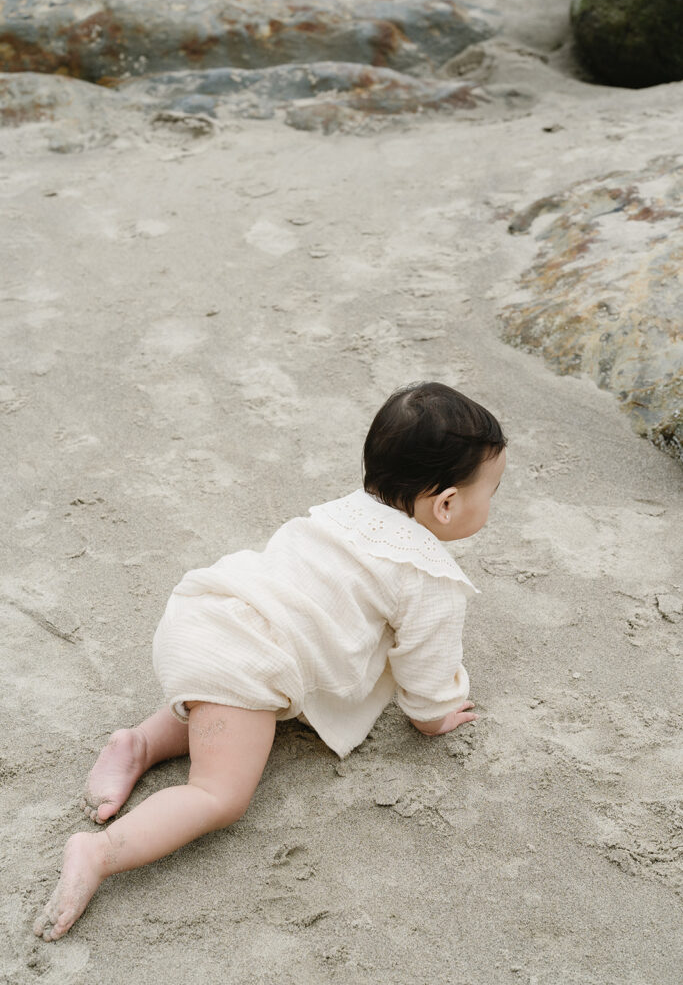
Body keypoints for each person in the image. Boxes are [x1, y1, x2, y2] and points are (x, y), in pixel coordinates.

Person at [34, 381, 506, 942]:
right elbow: (427, 679)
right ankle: (100, 852)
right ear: (447, 504)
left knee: (218, 708)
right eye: (492, 492)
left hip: (208, 617)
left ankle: (138, 742)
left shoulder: (343, 513)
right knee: (218, 793)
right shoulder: (430, 577)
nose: (493, 504)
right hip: (249, 658)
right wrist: (436, 716)